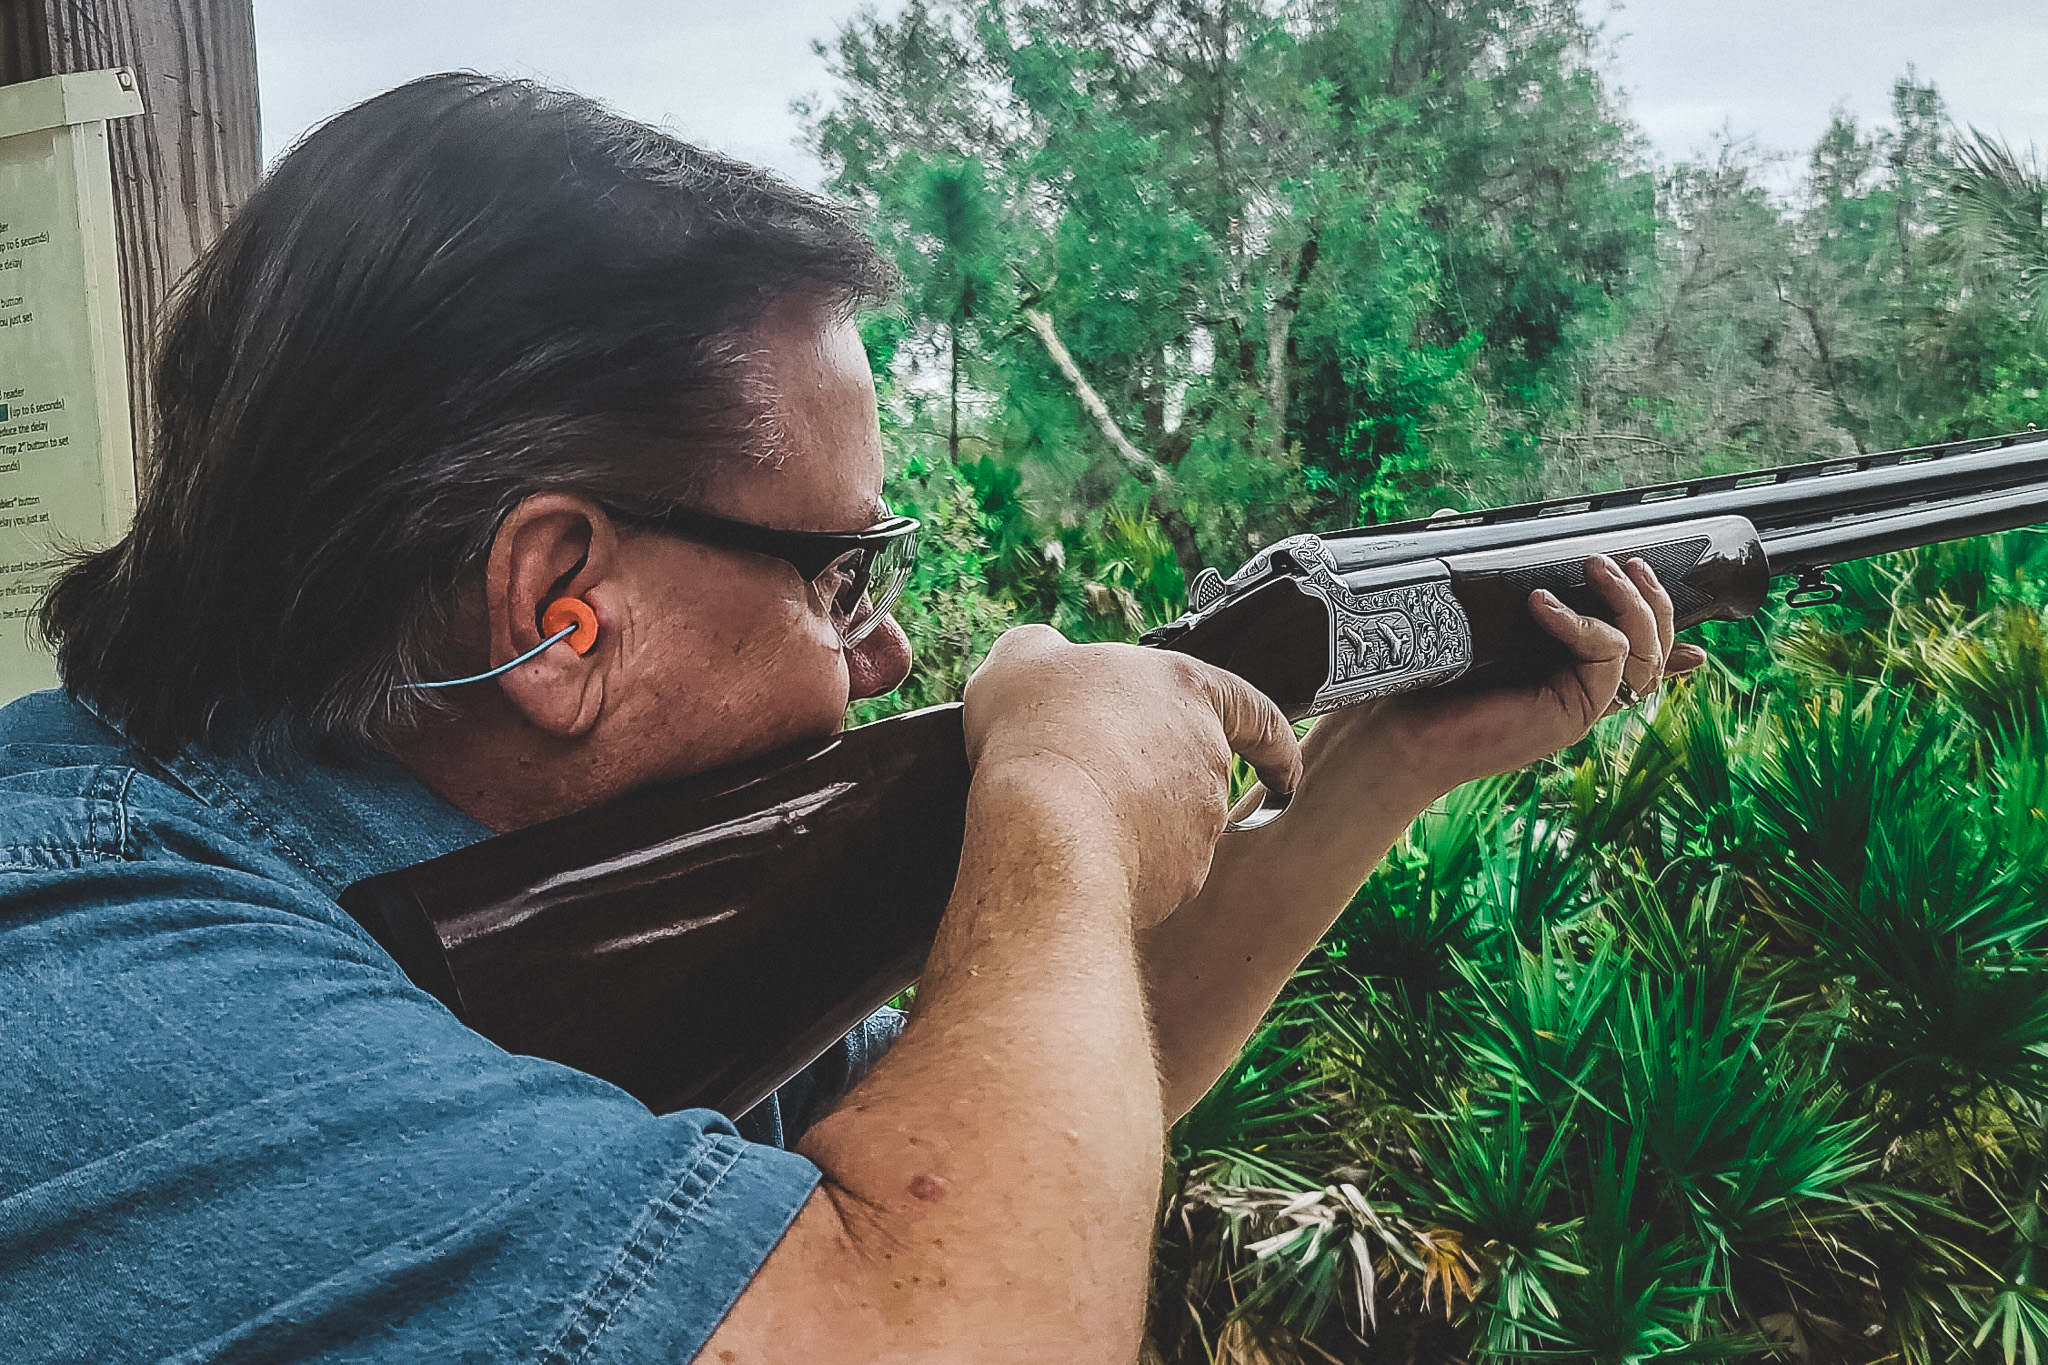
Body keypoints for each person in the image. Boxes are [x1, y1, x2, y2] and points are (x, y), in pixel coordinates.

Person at [0, 75, 1703, 1363]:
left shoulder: (490, 864)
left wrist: (1376, 769)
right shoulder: (92, 971)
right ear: (556, 609)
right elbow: (957, 1315)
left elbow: (1040, 1131)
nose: (884, 658)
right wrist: (1059, 801)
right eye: (842, 575)